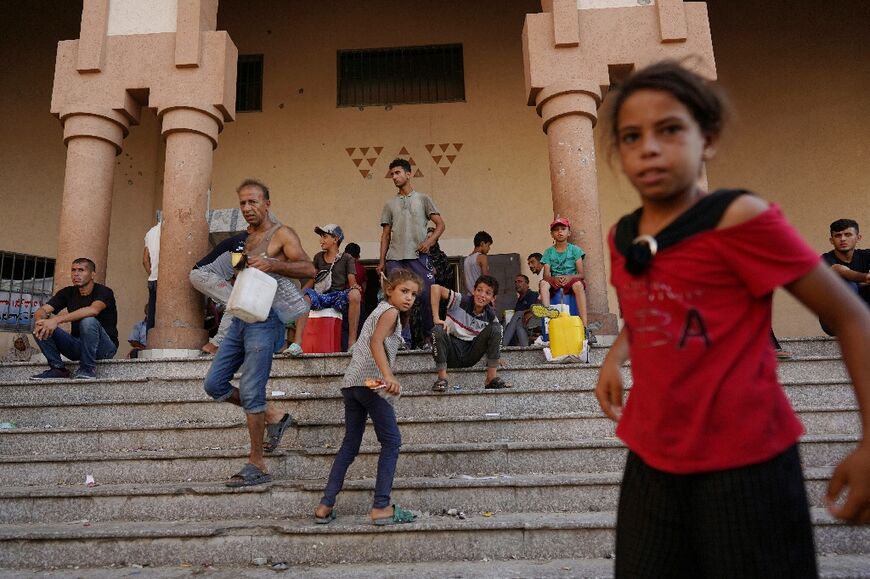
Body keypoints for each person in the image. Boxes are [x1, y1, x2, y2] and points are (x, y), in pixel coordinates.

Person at [594, 61, 870, 578]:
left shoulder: (739, 217)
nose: (649, 147)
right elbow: (652, 304)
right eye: (631, 136)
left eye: (670, 129)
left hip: (747, 464)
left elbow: (851, 316)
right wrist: (616, 355)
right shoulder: (621, 237)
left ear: (709, 138)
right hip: (651, 460)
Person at [203, 179, 315, 487]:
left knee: (252, 390)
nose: (247, 208)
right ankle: (275, 416)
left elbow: (309, 269)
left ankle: (257, 464)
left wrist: (272, 264)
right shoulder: (245, 239)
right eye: (242, 203)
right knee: (213, 384)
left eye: (253, 202)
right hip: (241, 316)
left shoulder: (282, 233)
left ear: (267, 204)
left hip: (266, 321)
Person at [313, 269, 422, 526]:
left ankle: (325, 505)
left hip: (352, 384)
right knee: (392, 442)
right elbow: (375, 342)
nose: (409, 298)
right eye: (404, 291)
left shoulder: (379, 310)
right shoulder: (391, 312)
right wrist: (388, 377)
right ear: (389, 291)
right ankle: (381, 506)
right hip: (371, 383)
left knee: (350, 445)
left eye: (414, 294)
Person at [378, 158, 446, 348]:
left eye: (398, 172)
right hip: (395, 258)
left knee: (426, 295)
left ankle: (428, 338)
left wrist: (429, 242)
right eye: (392, 174)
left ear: (408, 174)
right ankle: (402, 339)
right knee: (396, 298)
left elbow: (440, 225)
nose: (394, 177)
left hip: (418, 256)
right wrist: (381, 261)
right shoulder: (389, 204)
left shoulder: (423, 199)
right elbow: (385, 235)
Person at [30, 258, 118, 380]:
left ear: (92, 274)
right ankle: (58, 368)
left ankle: (88, 369)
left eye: (81, 270)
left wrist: (56, 320)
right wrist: (41, 320)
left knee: (88, 320)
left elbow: (93, 310)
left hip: (104, 348)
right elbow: (42, 311)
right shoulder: (67, 292)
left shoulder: (104, 291)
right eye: (73, 270)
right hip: (77, 347)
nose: (76, 274)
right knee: (37, 323)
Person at [430, 275, 508, 392]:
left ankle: (490, 378)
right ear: (473, 290)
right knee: (437, 330)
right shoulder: (461, 300)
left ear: (493, 298)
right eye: (479, 290)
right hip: (451, 351)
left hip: (471, 353)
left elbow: (496, 334)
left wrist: (496, 355)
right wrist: (436, 318)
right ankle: (442, 379)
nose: (482, 295)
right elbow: (435, 288)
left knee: (497, 327)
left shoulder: (490, 315)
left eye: (488, 293)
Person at [292, 224, 362, 353]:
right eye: (321, 237)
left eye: (325, 236)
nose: (321, 240)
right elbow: (313, 278)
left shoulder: (347, 258)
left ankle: (352, 343)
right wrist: (301, 294)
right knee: (304, 298)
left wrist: (355, 288)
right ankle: (297, 344)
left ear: (335, 239)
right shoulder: (318, 257)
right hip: (320, 296)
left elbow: (352, 281)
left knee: (355, 295)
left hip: (337, 297)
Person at [532, 217, 593, 343]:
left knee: (578, 285)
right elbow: (546, 276)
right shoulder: (548, 252)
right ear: (552, 234)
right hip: (554, 279)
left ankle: (585, 327)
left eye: (563, 229)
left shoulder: (575, 250)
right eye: (556, 230)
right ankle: (548, 314)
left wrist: (569, 277)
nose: (560, 232)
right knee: (543, 283)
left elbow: (581, 274)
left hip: (571, 278)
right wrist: (554, 279)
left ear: (569, 232)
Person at [189, 231, 248, 355]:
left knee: (237, 303)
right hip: (204, 275)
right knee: (234, 302)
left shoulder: (246, 244)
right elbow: (239, 271)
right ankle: (215, 344)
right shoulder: (241, 241)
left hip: (210, 276)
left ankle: (225, 342)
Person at [823, 219, 870, 308]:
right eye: (838, 235)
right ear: (831, 240)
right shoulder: (825, 259)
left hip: (865, 309)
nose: (843, 239)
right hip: (837, 314)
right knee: (847, 284)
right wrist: (865, 278)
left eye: (848, 235)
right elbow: (840, 271)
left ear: (858, 238)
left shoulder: (866, 255)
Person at [501, 274, 540, 347]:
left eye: (520, 281)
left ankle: (503, 345)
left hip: (534, 322)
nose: (517, 284)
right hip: (522, 324)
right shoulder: (519, 301)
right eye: (515, 282)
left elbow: (535, 309)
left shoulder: (532, 294)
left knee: (518, 314)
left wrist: (520, 313)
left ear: (527, 284)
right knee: (510, 321)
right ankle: (522, 347)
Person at [142, 218, 161, 330]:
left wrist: (152, 273)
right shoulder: (169, 230)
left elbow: (144, 260)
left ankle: (150, 341)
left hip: (153, 279)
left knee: (151, 314)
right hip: (164, 279)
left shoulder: (150, 232)